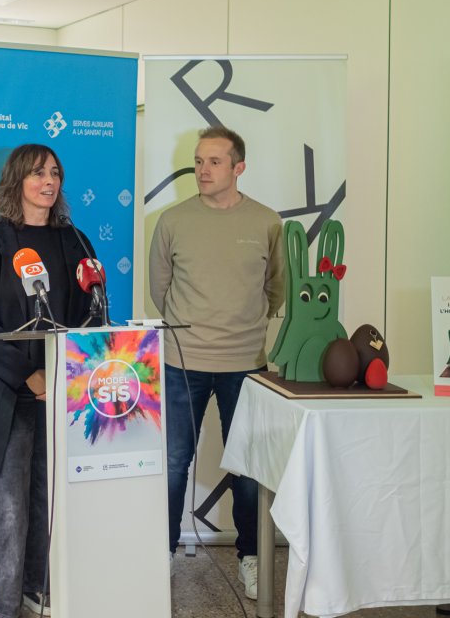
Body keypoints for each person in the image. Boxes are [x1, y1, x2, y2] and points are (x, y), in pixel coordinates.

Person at [148, 126, 284, 599]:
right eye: (198, 161)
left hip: (246, 363)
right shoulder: (172, 220)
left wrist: (243, 327)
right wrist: (193, 329)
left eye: (214, 162)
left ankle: (251, 557)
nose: (202, 170)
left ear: (239, 167)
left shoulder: (267, 222)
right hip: (181, 360)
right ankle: (161, 553)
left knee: (247, 467)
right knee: (172, 463)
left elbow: (277, 289)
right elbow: (160, 287)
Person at [0, 144, 96, 618]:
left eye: (55, 172)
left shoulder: (76, 241)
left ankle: (38, 589)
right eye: (38, 173)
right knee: (6, 502)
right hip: (6, 391)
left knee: (49, 496)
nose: (49, 181)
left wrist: (72, 375)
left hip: (62, 391)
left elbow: (93, 315)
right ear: (16, 180)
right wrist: (29, 374)